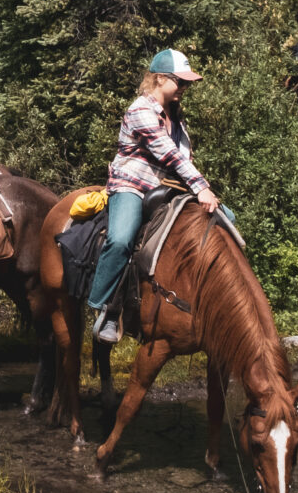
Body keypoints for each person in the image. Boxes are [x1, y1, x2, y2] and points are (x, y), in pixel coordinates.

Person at [87, 48, 221, 343]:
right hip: (133, 185)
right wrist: (201, 187)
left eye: (187, 83)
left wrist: (196, 188)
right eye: (180, 82)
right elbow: (170, 155)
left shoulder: (176, 115)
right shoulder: (140, 110)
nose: (185, 88)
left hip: (166, 188)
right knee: (121, 238)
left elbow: (182, 156)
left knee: (224, 222)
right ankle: (105, 308)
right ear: (160, 79)